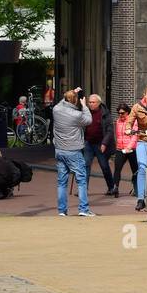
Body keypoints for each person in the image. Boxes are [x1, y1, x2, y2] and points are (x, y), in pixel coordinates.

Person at [52, 88, 97, 218]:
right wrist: (84, 106)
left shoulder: (56, 110)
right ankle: (83, 209)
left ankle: (62, 210)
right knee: (81, 180)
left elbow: (62, 102)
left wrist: (72, 92)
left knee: (61, 182)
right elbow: (88, 120)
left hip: (60, 150)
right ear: (75, 101)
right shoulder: (76, 115)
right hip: (73, 151)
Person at [82, 93, 116, 196]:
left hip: (100, 143)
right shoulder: (86, 112)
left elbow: (110, 131)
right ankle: (83, 189)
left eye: (93, 102)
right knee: (86, 165)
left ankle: (111, 187)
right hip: (88, 143)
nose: (91, 104)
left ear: (99, 103)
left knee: (104, 166)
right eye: (90, 102)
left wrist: (104, 143)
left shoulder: (105, 114)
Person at [112, 103, 139, 197]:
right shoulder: (118, 122)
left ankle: (136, 189)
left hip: (132, 149)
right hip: (120, 149)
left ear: (128, 112)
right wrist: (118, 146)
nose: (120, 115)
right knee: (117, 169)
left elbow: (135, 136)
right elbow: (117, 135)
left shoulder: (133, 121)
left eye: (122, 113)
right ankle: (115, 187)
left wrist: (129, 147)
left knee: (135, 170)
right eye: (119, 113)